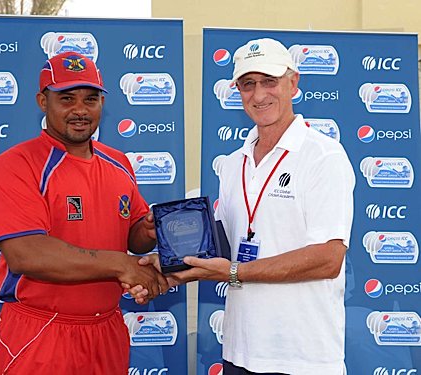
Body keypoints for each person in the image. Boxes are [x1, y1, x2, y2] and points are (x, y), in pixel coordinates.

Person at [135, 38, 355, 374]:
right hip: (240, 352)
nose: (259, 94)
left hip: (304, 358)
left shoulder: (323, 156)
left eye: (270, 81)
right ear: (237, 90)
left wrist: (235, 272)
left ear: (293, 83)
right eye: (248, 84)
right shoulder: (234, 162)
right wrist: (165, 267)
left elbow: (328, 258)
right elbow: (215, 250)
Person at [0, 51, 168, 375]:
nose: (80, 110)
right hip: (42, 333)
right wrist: (121, 265)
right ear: (43, 102)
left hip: (107, 329)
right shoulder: (16, 165)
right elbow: (27, 255)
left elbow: (135, 238)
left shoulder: (118, 163)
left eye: (91, 99)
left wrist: (150, 229)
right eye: (66, 99)